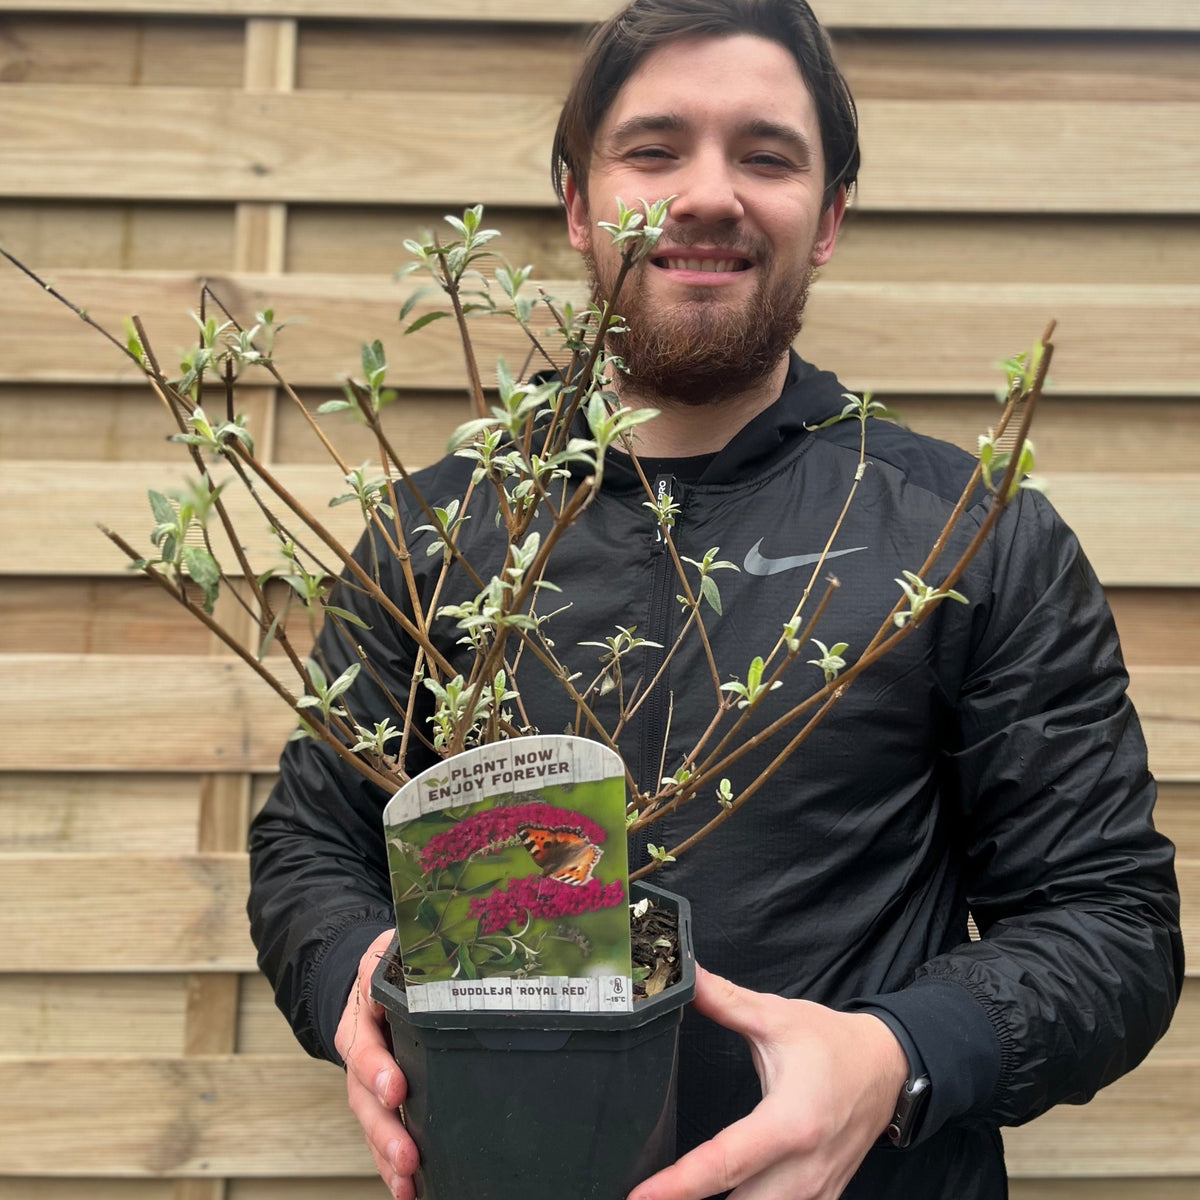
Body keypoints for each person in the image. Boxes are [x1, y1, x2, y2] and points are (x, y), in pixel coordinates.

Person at [247, 2, 1183, 1198]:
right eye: (654, 149)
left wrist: (894, 1056)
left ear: (830, 215)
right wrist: (362, 982)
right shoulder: (439, 534)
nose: (706, 194)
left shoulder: (970, 536)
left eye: (766, 154)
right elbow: (310, 844)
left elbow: (1111, 925)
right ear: (578, 204)